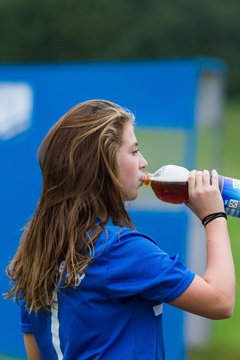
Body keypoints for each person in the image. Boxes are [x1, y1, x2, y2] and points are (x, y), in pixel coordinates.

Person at [6, 99, 235, 360]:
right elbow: (220, 300)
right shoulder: (121, 250)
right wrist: (214, 216)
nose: (144, 162)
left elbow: (36, 354)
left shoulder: (36, 254)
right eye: (134, 151)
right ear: (103, 163)